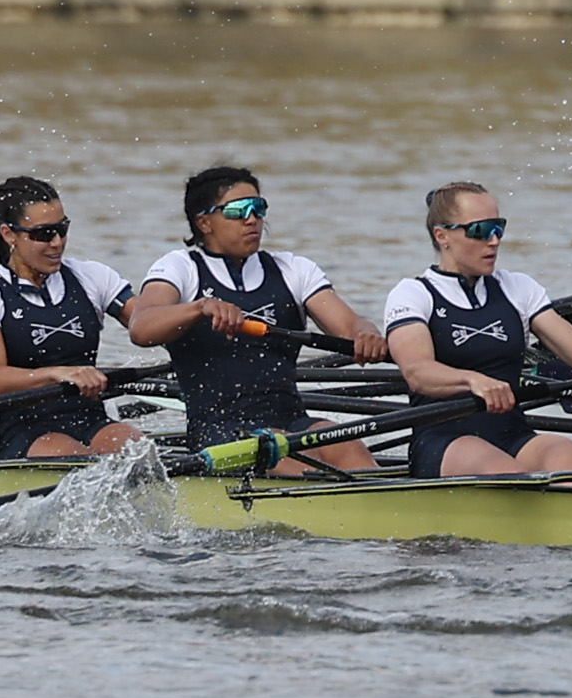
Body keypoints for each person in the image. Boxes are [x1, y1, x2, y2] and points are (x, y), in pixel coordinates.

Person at [127, 164, 386, 470]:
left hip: (292, 419)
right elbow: (141, 328)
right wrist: (200, 308)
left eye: (258, 208)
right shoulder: (180, 268)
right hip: (220, 431)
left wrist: (367, 335)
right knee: (297, 464)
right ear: (204, 222)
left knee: (347, 445)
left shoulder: (292, 269)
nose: (252, 219)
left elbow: (349, 326)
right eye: (238, 210)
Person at [373, 183, 572, 477]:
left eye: (498, 227)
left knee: (570, 459)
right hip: (444, 442)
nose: (495, 240)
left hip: (512, 435)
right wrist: (473, 381)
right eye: (480, 230)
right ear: (442, 235)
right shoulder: (412, 294)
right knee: (505, 472)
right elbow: (417, 371)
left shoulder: (516, 287)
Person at [0, 177, 141, 459]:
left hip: (90, 420)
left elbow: (147, 323)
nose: (57, 243)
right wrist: (57, 374)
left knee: (137, 450)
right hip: (28, 430)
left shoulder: (91, 277)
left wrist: (196, 315)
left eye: (62, 229)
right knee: (78, 463)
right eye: (44, 234)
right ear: (9, 235)